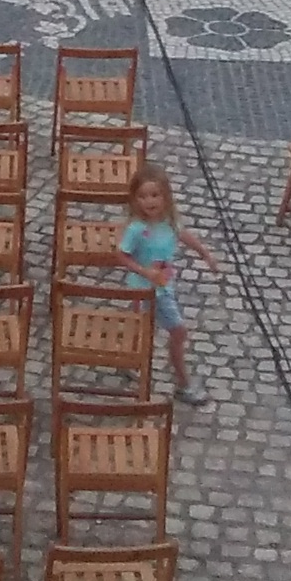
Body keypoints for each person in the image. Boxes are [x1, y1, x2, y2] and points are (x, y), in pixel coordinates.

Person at [116, 163, 219, 405]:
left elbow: (183, 235)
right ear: (134, 199)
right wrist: (144, 271)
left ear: (165, 197)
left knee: (140, 327)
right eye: (142, 196)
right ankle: (183, 383)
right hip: (146, 289)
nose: (149, 201)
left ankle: (128, 360)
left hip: (163, 286)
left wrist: (205, 253)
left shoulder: (169, 222)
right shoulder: (137, 229)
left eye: (154, 195)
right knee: (178, 331)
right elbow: (121, 255)